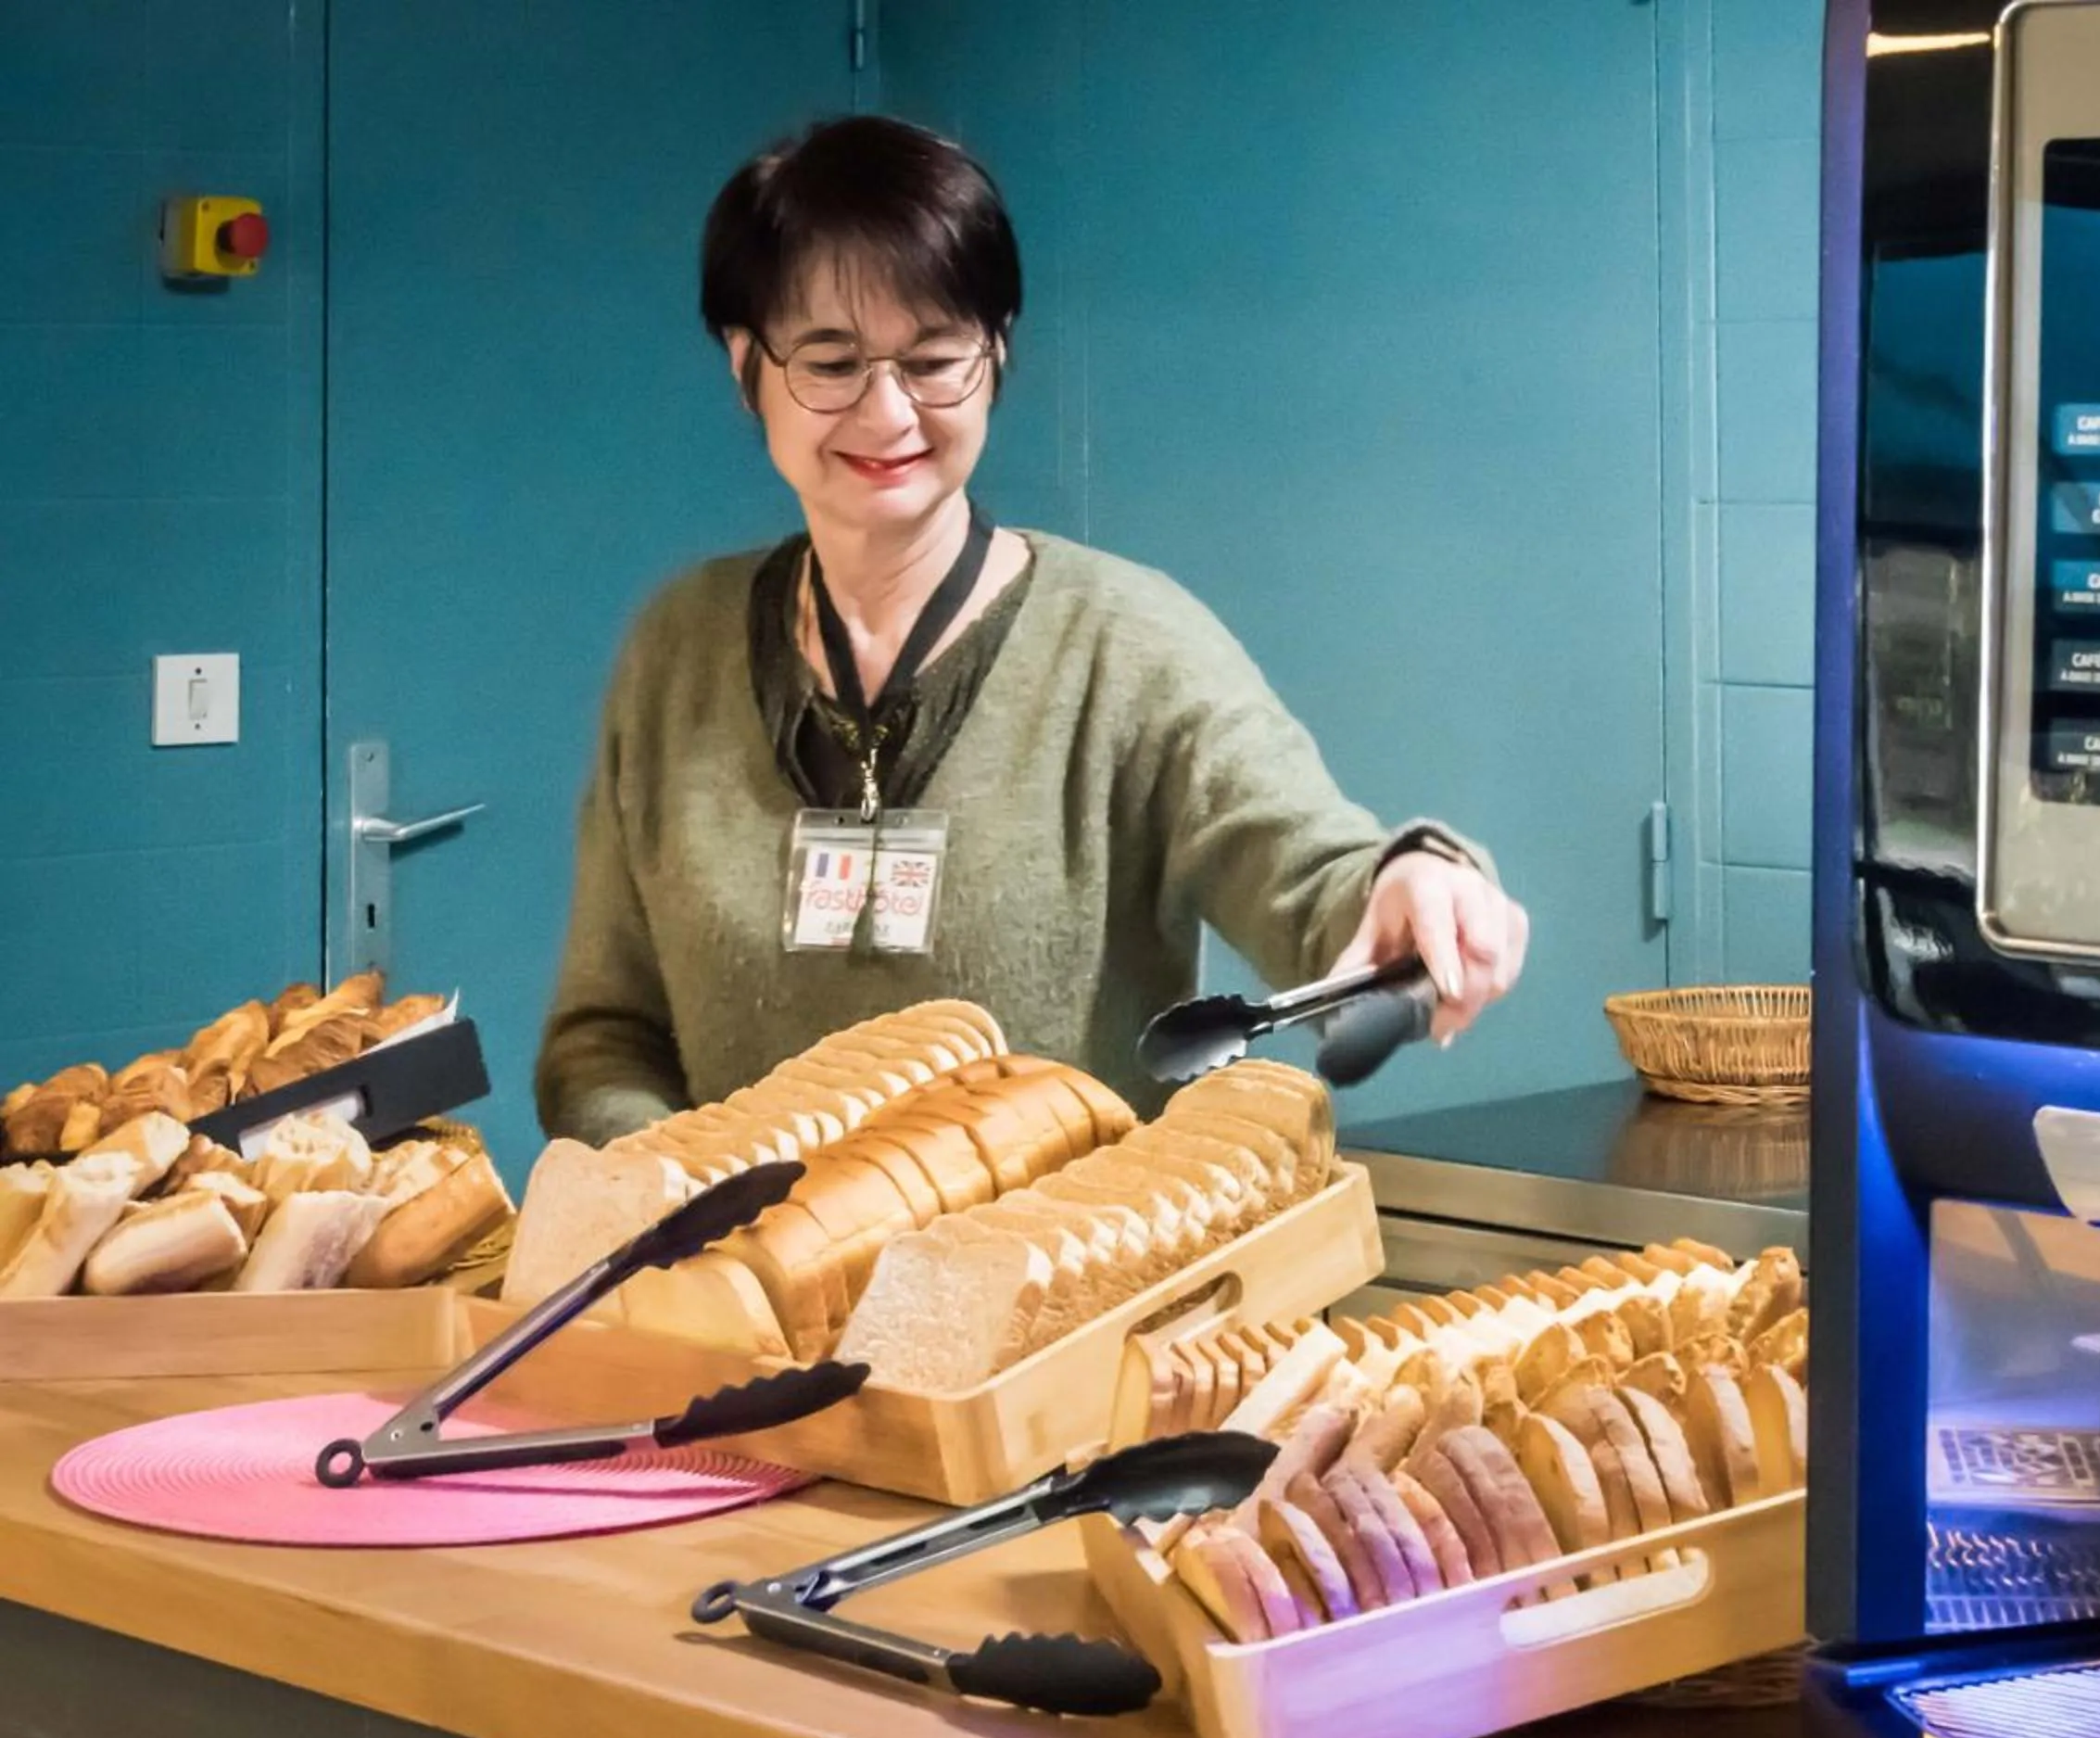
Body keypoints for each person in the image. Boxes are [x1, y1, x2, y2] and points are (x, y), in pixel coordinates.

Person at [535, 116, 1527, 1141]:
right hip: (731, 1292)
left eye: (933, 360)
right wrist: (669, 1196)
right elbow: (605, 1036)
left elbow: (1312, 882)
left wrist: (1412, 879)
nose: (887, 416)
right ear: (746, 365)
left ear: (997, 351)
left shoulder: (1125, 646)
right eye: (830, 363)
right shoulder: (677, 651)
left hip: (1060, 1288)